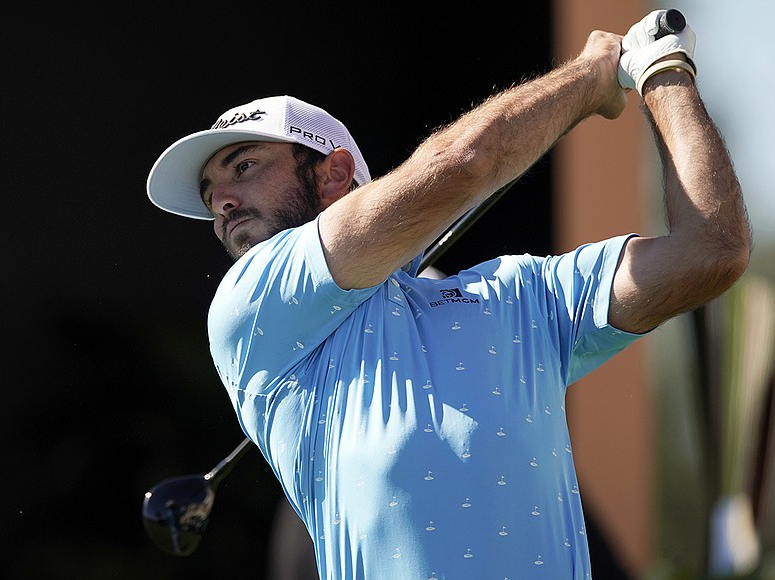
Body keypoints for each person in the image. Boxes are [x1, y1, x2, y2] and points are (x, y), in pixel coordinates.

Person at [146, 10, 750, 579]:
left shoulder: (519, 294)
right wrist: (588, 79)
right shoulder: (249, 307)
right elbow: (464, 162)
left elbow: (711, 251)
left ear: (332, 175)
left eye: (244, 166)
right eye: (209, 191)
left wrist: (665, 73)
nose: (220, 202)